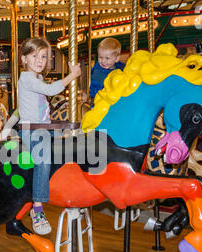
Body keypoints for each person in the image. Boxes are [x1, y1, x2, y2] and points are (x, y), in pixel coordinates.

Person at [18, 37, 81, 235]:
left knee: (71, 150)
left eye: (43, 56)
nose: (39, 60)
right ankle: (37, 209)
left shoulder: (38, 78)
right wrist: (73, 75)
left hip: (43, 128)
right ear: (24, 59)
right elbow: (52, 90)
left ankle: (68, 195)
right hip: (30, 130)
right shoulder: (27, 78)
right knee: (43, 160)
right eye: (34, 56)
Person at [89, 37, 125, 102]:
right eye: (100, 57)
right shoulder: (97, 71)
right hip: (99, 101)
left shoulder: (121, 68)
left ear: (116, 59)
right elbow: (109, 84)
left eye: (107, 58)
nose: (103, 61)